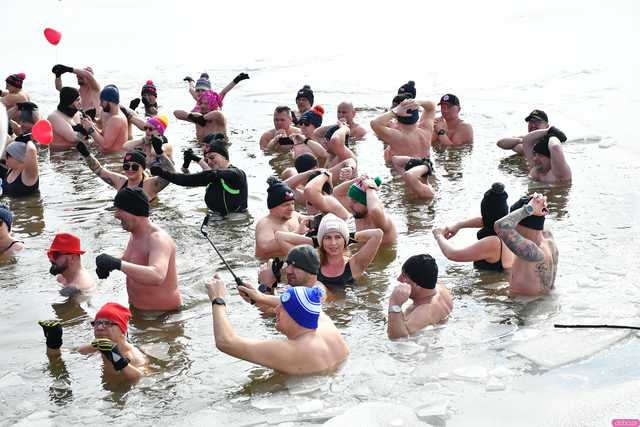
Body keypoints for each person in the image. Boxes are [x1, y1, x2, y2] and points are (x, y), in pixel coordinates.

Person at [206, 274, 348, 375]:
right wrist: (260, 297)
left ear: (295, 315)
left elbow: (226, 342)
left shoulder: (294, 350)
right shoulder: (324, 325)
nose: (276, 309)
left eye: (283, 307)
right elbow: (297, 304)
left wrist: (217, 299)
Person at [94, 187, 182, 311]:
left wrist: (118, 264)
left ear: (134, 211)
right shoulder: (135, 234)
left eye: (120, 209)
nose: (116, 214)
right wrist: (109, 265)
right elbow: (131, 262)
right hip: (137, 312)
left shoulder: (158, 239)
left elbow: (157, 275)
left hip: (164, 317)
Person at [38, 302, 146, 382]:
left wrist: (119, 361)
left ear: (122, 330)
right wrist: (53, 342)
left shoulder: (133, 355)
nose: (99, 327)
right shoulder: (96, 348)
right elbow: (56, 356)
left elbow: (143, 378)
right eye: (97, 323)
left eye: (107, 323)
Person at [275, 213, 383, 287]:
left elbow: (377, 234)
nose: (333, 243)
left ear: (344, 240)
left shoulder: (355, 265)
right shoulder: (310, 264)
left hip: (345, 314)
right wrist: (316, 241)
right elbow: (280, 237)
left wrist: (349, 237)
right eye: (327, 238)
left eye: (338, 237)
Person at [150, 138, 247, 216]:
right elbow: (185, 181)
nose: (209, 162)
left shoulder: (237, 174)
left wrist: (163, 172)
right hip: (214, 219)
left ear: (225, 156)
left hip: (235, 222)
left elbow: (222, 174)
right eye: (207, 160)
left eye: (212, 157)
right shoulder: (212, 175)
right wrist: (162, 173)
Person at [432, 183, 514, 271]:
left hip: (494, 283)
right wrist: (459, 225)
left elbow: (453, 254)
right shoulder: (509, 228)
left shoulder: (493, 242)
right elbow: (486, 220)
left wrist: (439, 236)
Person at [494, 193, 558, 296]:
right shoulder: (548, 239)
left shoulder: (532, 252)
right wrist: (538, 205)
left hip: (525, 307)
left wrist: (528, 209)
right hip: (541, 302)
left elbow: (500, 225)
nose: (513, 227)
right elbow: (537, 221)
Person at [78, 139, 174, 201]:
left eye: (135, 167)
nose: (130, 169)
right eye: (126, 166)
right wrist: (86, 154)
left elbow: (171, 174)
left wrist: (160, 153)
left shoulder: (151, 185)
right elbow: (98, 170)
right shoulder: (120, 182)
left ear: (143, 168)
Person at [387, 254, 453, 339]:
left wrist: (394, 303)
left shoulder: (423, 312)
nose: (398, 279)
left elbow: (398, 338)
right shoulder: (440, 289)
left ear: (417, 285)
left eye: (404, 276)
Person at [334, 176, 398, 244]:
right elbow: (337, 193)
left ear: (367, 203)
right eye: (350, 199)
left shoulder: (380, 219)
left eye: (355, 201)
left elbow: (374, 210)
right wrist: (356, 180)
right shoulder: (358, 213)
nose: (350, 205)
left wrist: (370, 188)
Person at [371, 98, 435, 163]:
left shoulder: (396, 137)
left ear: (397, 117)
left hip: (401, 171)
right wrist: (419, 102)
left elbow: (374, 123)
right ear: (417, 117)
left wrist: (394, 111)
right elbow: (431, 107)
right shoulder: (426, 130)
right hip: (425, 169)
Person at [255, 177, 305, 259]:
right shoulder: (265, 224)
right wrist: (298, 233)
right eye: (286, 205)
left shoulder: (295, 215)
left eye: (292, 203)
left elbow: (313, 220)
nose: (291, 208)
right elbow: (265, 247)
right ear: (272, 207)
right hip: (269, 264)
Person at [81, 85, 128, 153]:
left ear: (110, 101)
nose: (100, 104)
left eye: (102, 101)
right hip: (111, 157)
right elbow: (104, 135)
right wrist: (92, 125)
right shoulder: (115, 116)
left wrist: (90, 129)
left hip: (112, 160)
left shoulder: (116, 119)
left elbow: (106, 145)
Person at [47, 87, 85, 151]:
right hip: (61, 156)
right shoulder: (54, 117)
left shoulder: (77, 114)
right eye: (77, 100)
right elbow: (73, 137)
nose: (80, 102)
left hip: (77, 153)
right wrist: (88, 131)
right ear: (69, 101)